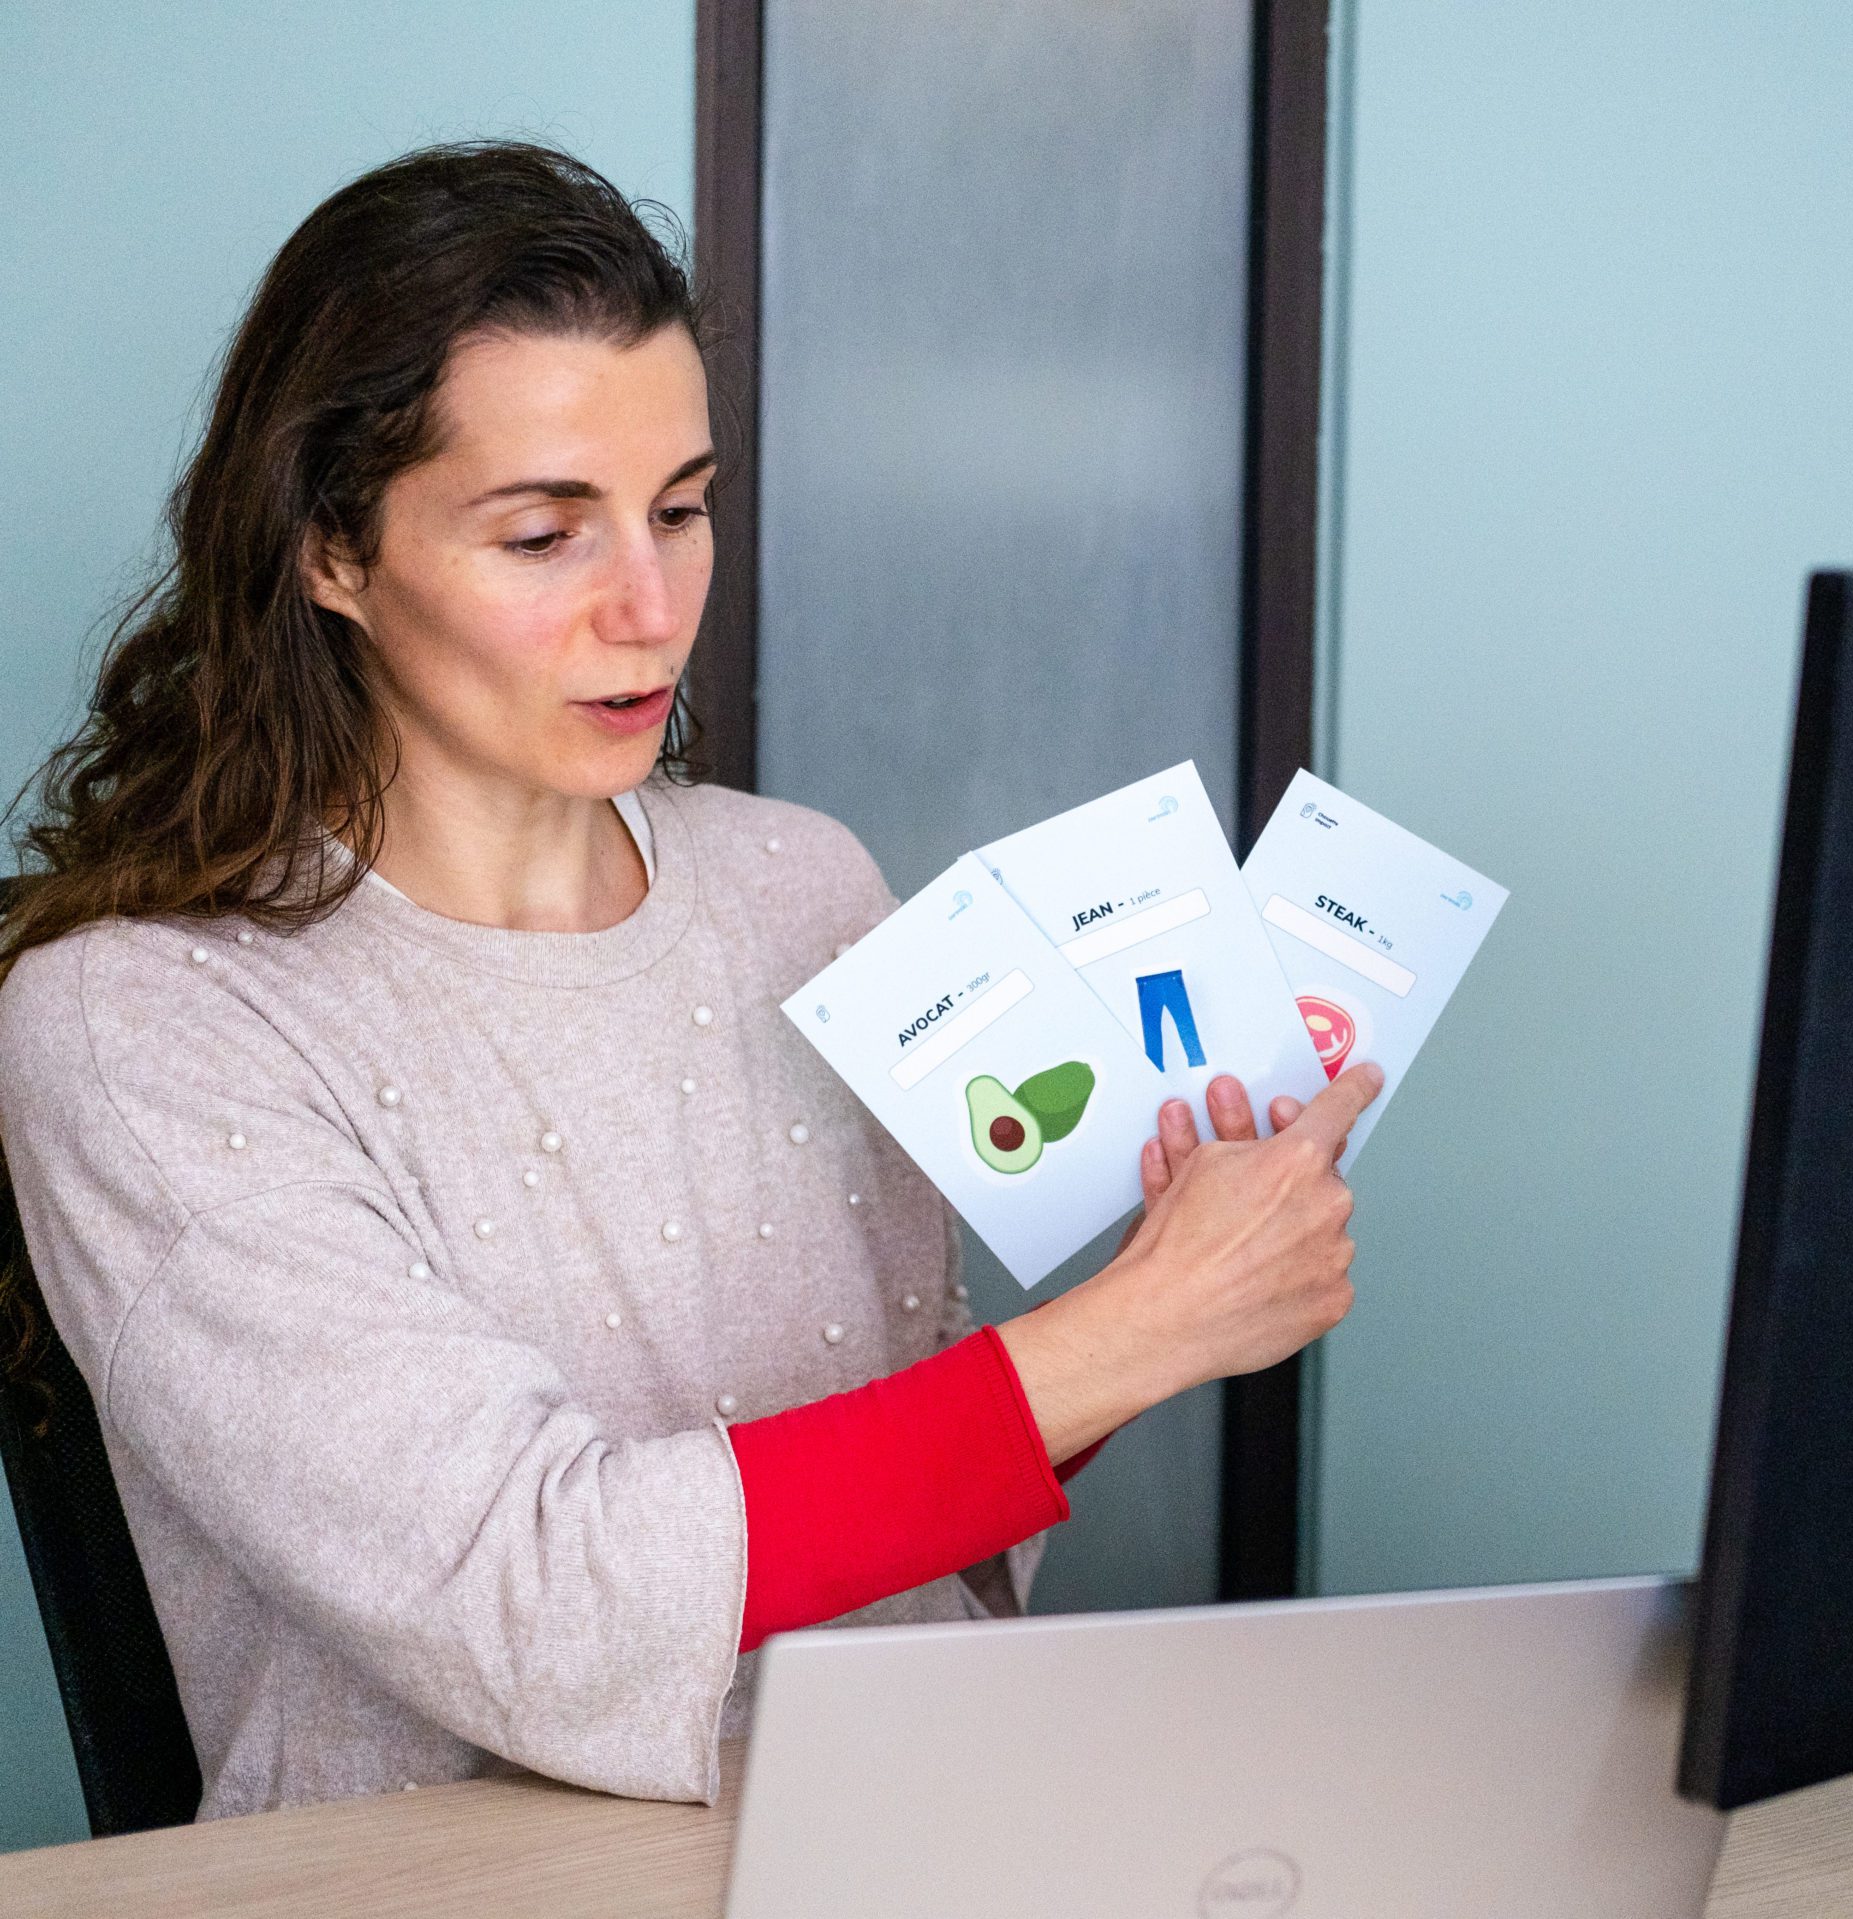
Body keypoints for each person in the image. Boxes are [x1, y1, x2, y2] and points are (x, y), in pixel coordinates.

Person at [0, 142, 1376, 1821]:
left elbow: (914, 1483)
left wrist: (1165, 1307)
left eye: (680, 509)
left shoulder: (803, 884)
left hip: (918, 1814)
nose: (651, 611)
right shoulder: (142, 1023)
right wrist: (1124, 1335)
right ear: (329, 554)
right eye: (541, 536)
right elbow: (540, 1603)